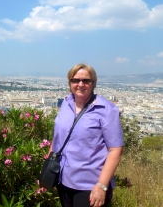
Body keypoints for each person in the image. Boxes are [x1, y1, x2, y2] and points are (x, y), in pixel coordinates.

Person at [49, 64, 123, 207]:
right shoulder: (66, 103)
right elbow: (58, 137)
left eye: (86, 81)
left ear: (93, 83)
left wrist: (101, 186)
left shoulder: (106, 110)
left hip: (89, 185)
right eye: (75, 80)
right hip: (63, 180)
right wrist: (49, 163)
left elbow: (115, 150)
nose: (80, 84)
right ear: (70, 82)